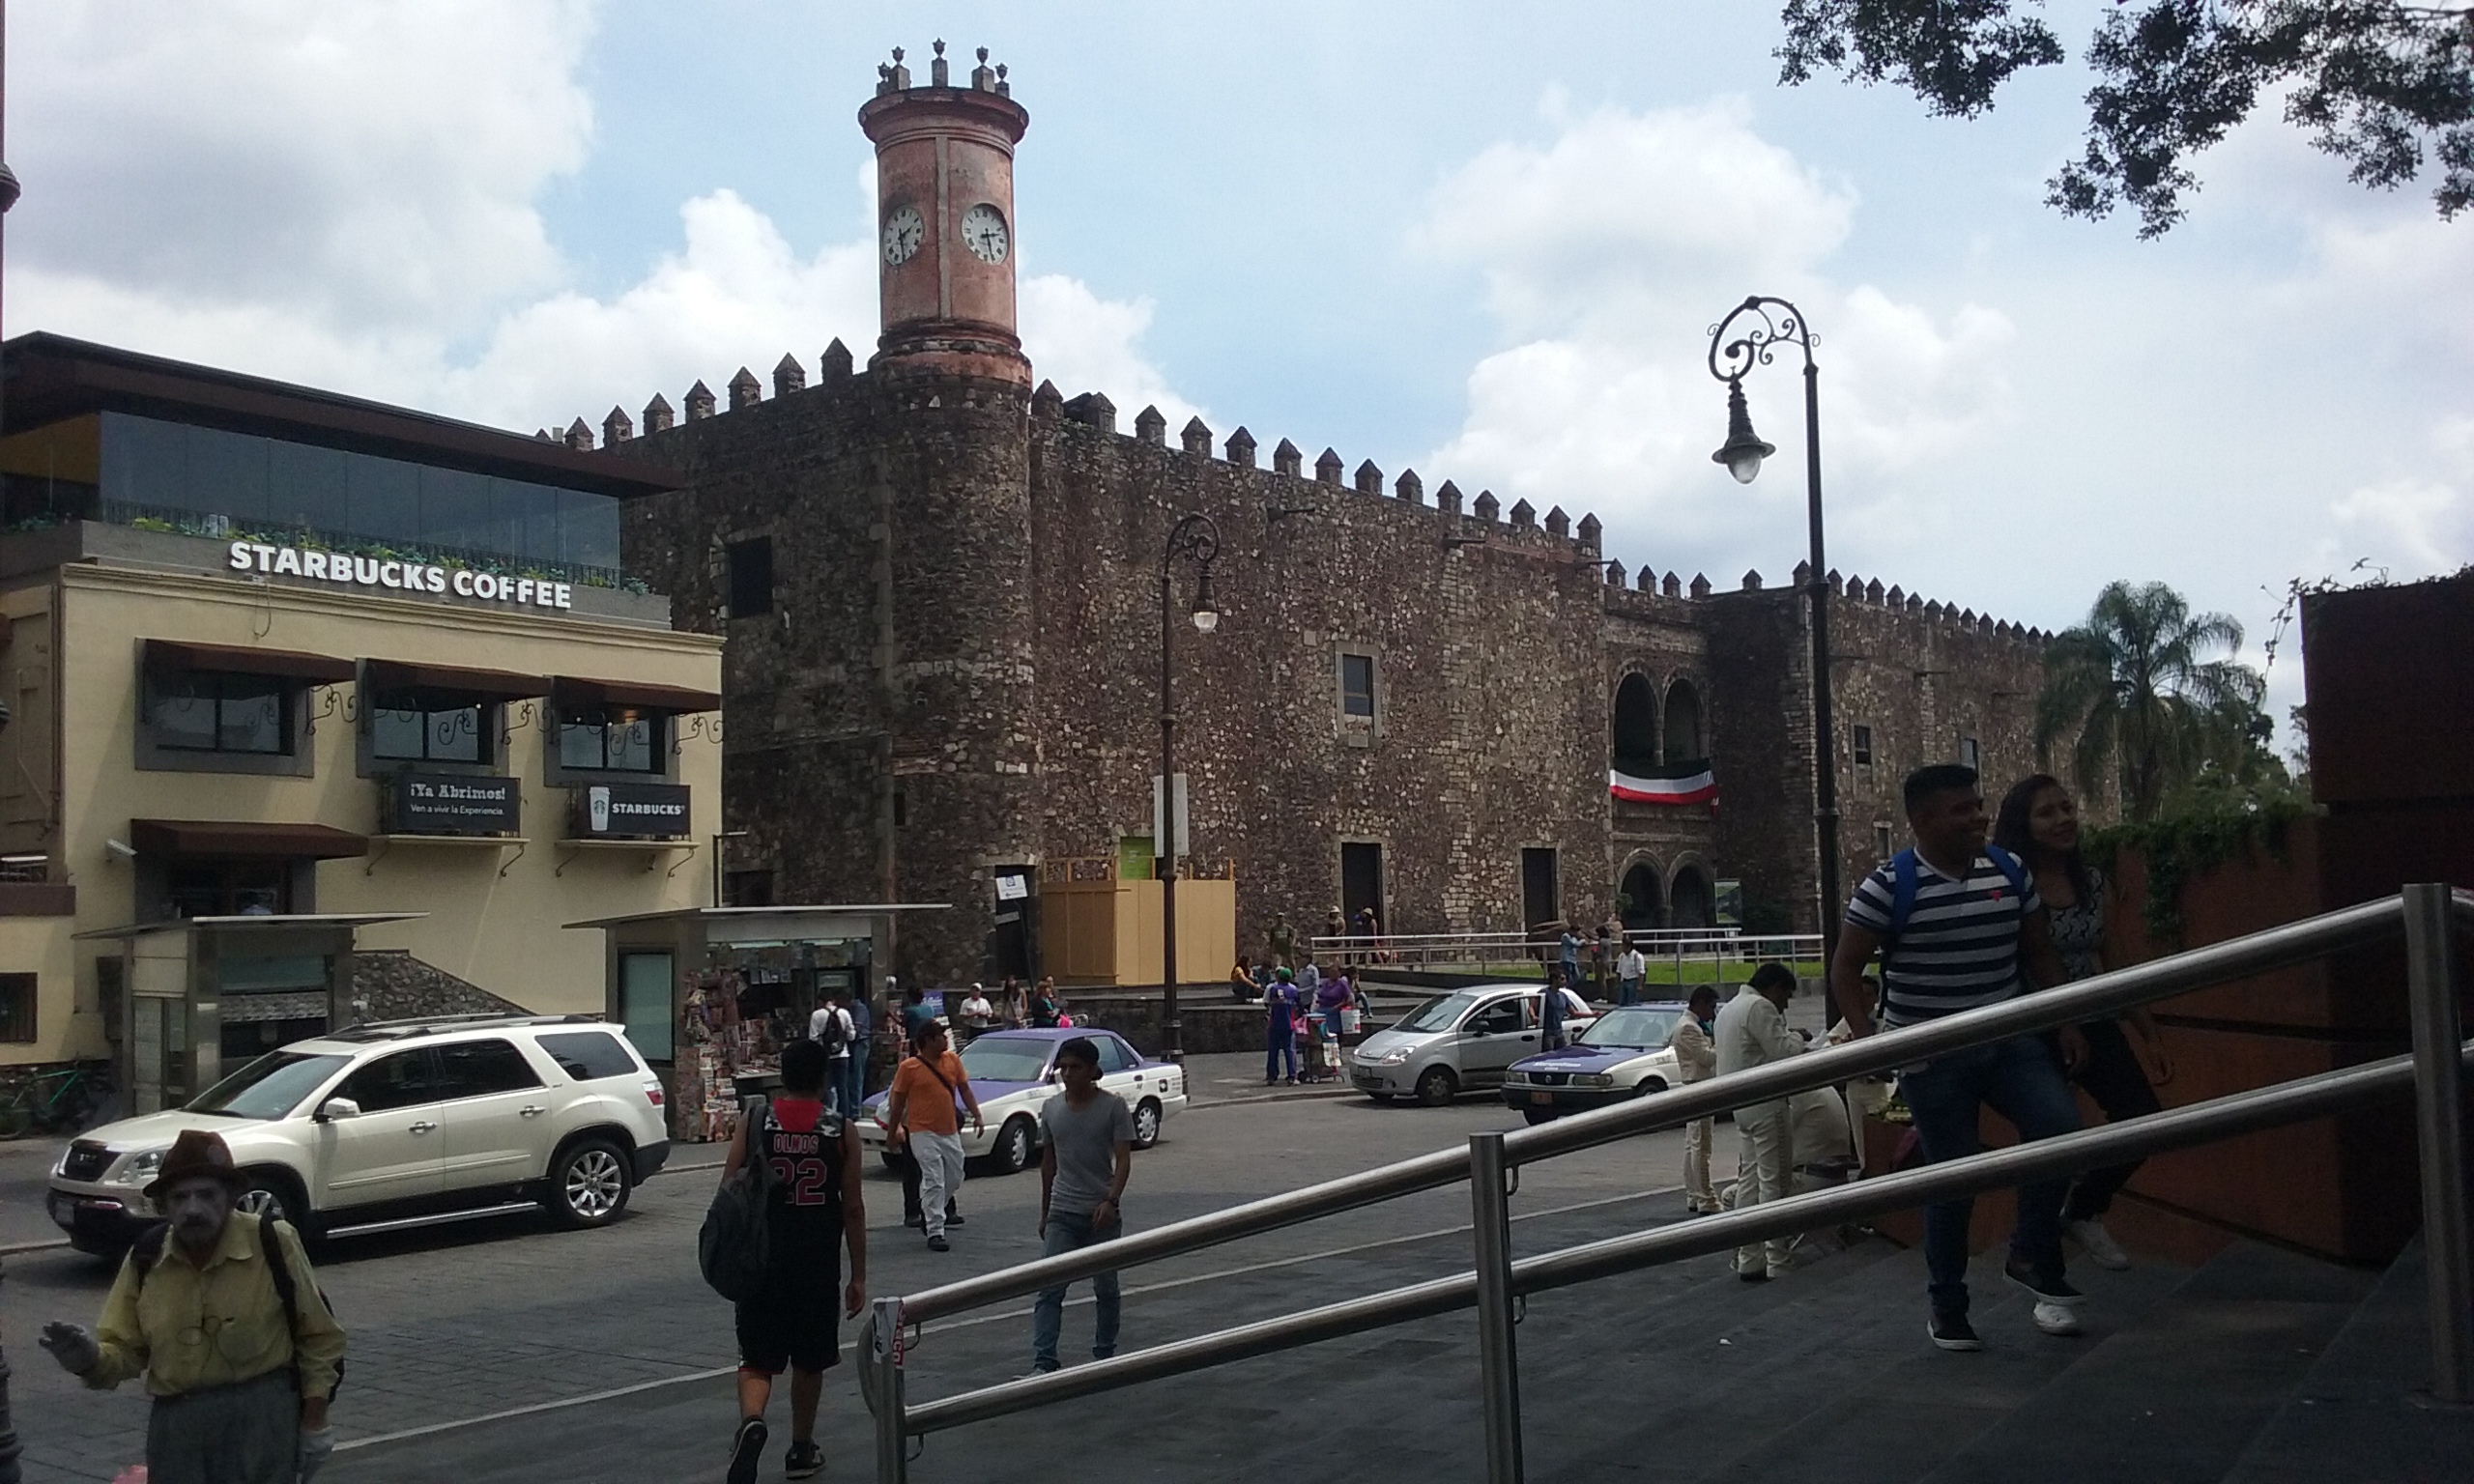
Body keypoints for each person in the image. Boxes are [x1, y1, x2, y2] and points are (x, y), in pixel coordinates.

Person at [1832, 762, 2083, 1353]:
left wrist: (2066, 1020)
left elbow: (2040, 953)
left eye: (1977, 805)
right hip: (1932, 1053)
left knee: (2061, 1131)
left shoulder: (2008, 869)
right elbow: (1846, 967)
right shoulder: (1889, 887)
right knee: (1956, 1173)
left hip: (2008, 1036)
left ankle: (2027, 1250)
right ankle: (1948, 1301)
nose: (1978, 817)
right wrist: (1870, 1039)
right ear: (1922, 822)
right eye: (1961, 810)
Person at [39, 1129, 346, 1484]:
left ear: (231, 1197)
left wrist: (314, 1422)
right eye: (180, 1197)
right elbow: (125, 1352)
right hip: (178, 1429)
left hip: (262, 1421)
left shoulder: (272, 1242)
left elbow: (320, 1339)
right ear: (164, 1205)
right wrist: (88, 1360)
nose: (193, 1209)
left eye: (206, 1195)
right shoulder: (147, 1257)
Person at [1996, 773, 2172, 1273]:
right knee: (2048, 1142)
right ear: (2023, 826)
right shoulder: (2010, 884)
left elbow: (2115, 961)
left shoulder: (2092, 881)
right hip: (2033, 1027)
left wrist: (2149, 1034)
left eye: (2067, 807)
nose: (2063, 819)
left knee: (2142, 1119)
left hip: (2092, 1020)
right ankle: (2035, 1264)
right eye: (2047, 812)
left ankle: (2084, 1208)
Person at [718, 1039, 867, 1484]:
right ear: (824, 1078)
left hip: (763, 1258)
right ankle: (801, 1449)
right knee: (809, 1358)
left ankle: (753, 1421)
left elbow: (730, 1183)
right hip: (817, 1260)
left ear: (782, 1075)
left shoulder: (756, 1120)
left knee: (757, 1357)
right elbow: (853, 1207)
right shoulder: (840, 1130)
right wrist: (858, 1274)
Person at [1030, 1037, 1135, 1373]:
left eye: (1075, 1067)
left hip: (1100, 1212)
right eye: (1063, 1067)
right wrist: (1045, 1212)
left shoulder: (1113, 1106)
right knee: (1050, 1288)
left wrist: (1111, 1200)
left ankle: (1105, 1354)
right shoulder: (1051, 1109)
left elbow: (1123, 1159)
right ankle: (1044, 1360)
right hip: (1063, 1210)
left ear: (1092, 1071)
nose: (1067, 1074)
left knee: (1105, 1286)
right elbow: (1049, 1163)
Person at [1714, 963, 1807, 1281]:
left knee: (1750, 1183)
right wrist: (1798, 1036)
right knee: (1774, 1181)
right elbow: (1784, 1052)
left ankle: (1748, 1256)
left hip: (1740, 1106)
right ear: (1775, 987)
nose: (1786, 1005)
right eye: (1787, 996)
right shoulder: (1760, 1007)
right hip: (1767, 1103)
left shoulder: (1728, 1010)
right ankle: (1777, 1257)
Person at [884, 1019, 984, 1252]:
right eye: (941, 1036)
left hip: (948, 1130)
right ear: (928, 1040)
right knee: (933, 1179)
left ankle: (929, 1209)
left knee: (956, 1174)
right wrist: (893, 1130)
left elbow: (965, 1089)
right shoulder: (909, 1068)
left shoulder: (952, 1061)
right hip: (921, 1131)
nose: (946, 1039)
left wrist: (977, 1115)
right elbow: (897, 1102)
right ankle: (935, 1230)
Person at [1827, 975, 1895, 1160]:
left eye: (1867, 995)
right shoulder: (1849, 1020)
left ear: (1876, 998)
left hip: (1876, 1086)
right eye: (1859, 994)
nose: (1862, 999)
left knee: (1879, 1136)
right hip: (1855, 1086)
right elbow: (1829, 1042)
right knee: (1860, 1140)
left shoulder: (1883, 1022)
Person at [1672, 985, 1721, 1213]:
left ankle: (1694, 1192)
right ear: (1700, 1004)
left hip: (1696, 1084)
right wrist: (1724, 1042)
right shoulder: (1689, 1028)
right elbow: (1707, 1058)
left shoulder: (1690, 1026)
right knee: (1701, 1145)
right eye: (1711, 1007)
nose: (1712, 1013)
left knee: (1693, 1144)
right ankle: (1705, 1196)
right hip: (1698, 1084)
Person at [809, 987, 856, 1115]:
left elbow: (812, 1038)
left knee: (827, 1087)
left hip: (825, 1056)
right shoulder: (844, 1013)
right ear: (833, 1000)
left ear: (820, 1001)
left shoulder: (817, 1015)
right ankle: (845, 1118)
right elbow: (852, 1036)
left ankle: (828, 1115)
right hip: (843, 1055)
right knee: (842, 1087)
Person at [1263, 967, 1302, 1084]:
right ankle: (1291, 1075)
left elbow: (1268, 1003)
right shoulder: (1293, 990)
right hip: (1288, 1024)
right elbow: (1299, 1005)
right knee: (1289, 1050)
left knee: (1273, 1051)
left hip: (1274, 1024)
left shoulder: (1273, 989)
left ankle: (1271, 1075)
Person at [1540, 969, 1568, 1050]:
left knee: (1563, 1054)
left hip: (1559, 1032)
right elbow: (1532, 1006)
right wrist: (1533, 1016)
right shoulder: (1545, 993)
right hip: (1548, 1033)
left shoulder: (1563, 996)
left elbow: (1573, 1012)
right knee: (1548, 1055)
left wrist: (1592, 1015)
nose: (1565, 981)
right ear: (1554, 979)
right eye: (1562, 979)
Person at [1617, 940, 1647, 1007]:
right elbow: (1619, 970)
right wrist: (1618, 982)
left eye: (1624, 946)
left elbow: (1641, 972)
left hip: (1633, 981)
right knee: (1622, 1002)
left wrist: (1639, 985)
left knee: (1632, 1002)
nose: (1622, 948)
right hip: (1624, 981)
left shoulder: (1637, 956)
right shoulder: (1621, 956)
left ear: (1629, 947)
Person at [1558, 926, 1583, 1003]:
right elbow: (1575, 944)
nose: (1577, 933)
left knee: (1577, 976)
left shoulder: (1573, 938)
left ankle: (1568, 987)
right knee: (1568, 976)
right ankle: (1566, 990)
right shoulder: (1565, 937)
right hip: (1566, 959)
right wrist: (1582, 941)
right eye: (1575, 931)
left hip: (1572, 960)